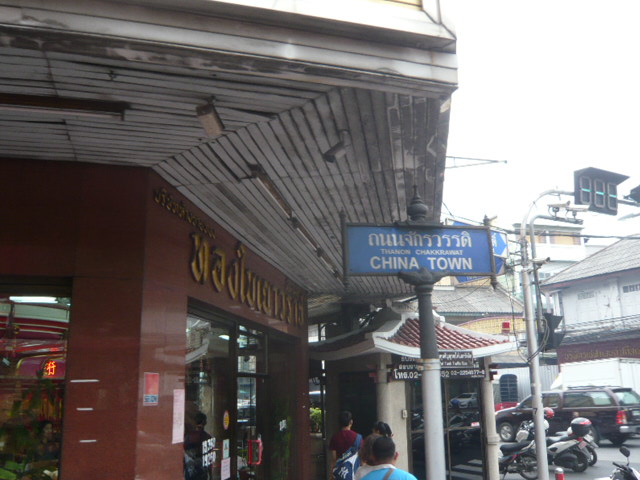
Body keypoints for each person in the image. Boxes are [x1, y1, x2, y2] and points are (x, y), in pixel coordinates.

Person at [184, 412, 212, 480]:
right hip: (202, 470)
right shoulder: (207, 437)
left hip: (190, 470)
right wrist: (210, 474)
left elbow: (184, 453)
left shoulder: (188, 436)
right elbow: (209, 458)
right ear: (204, 422)